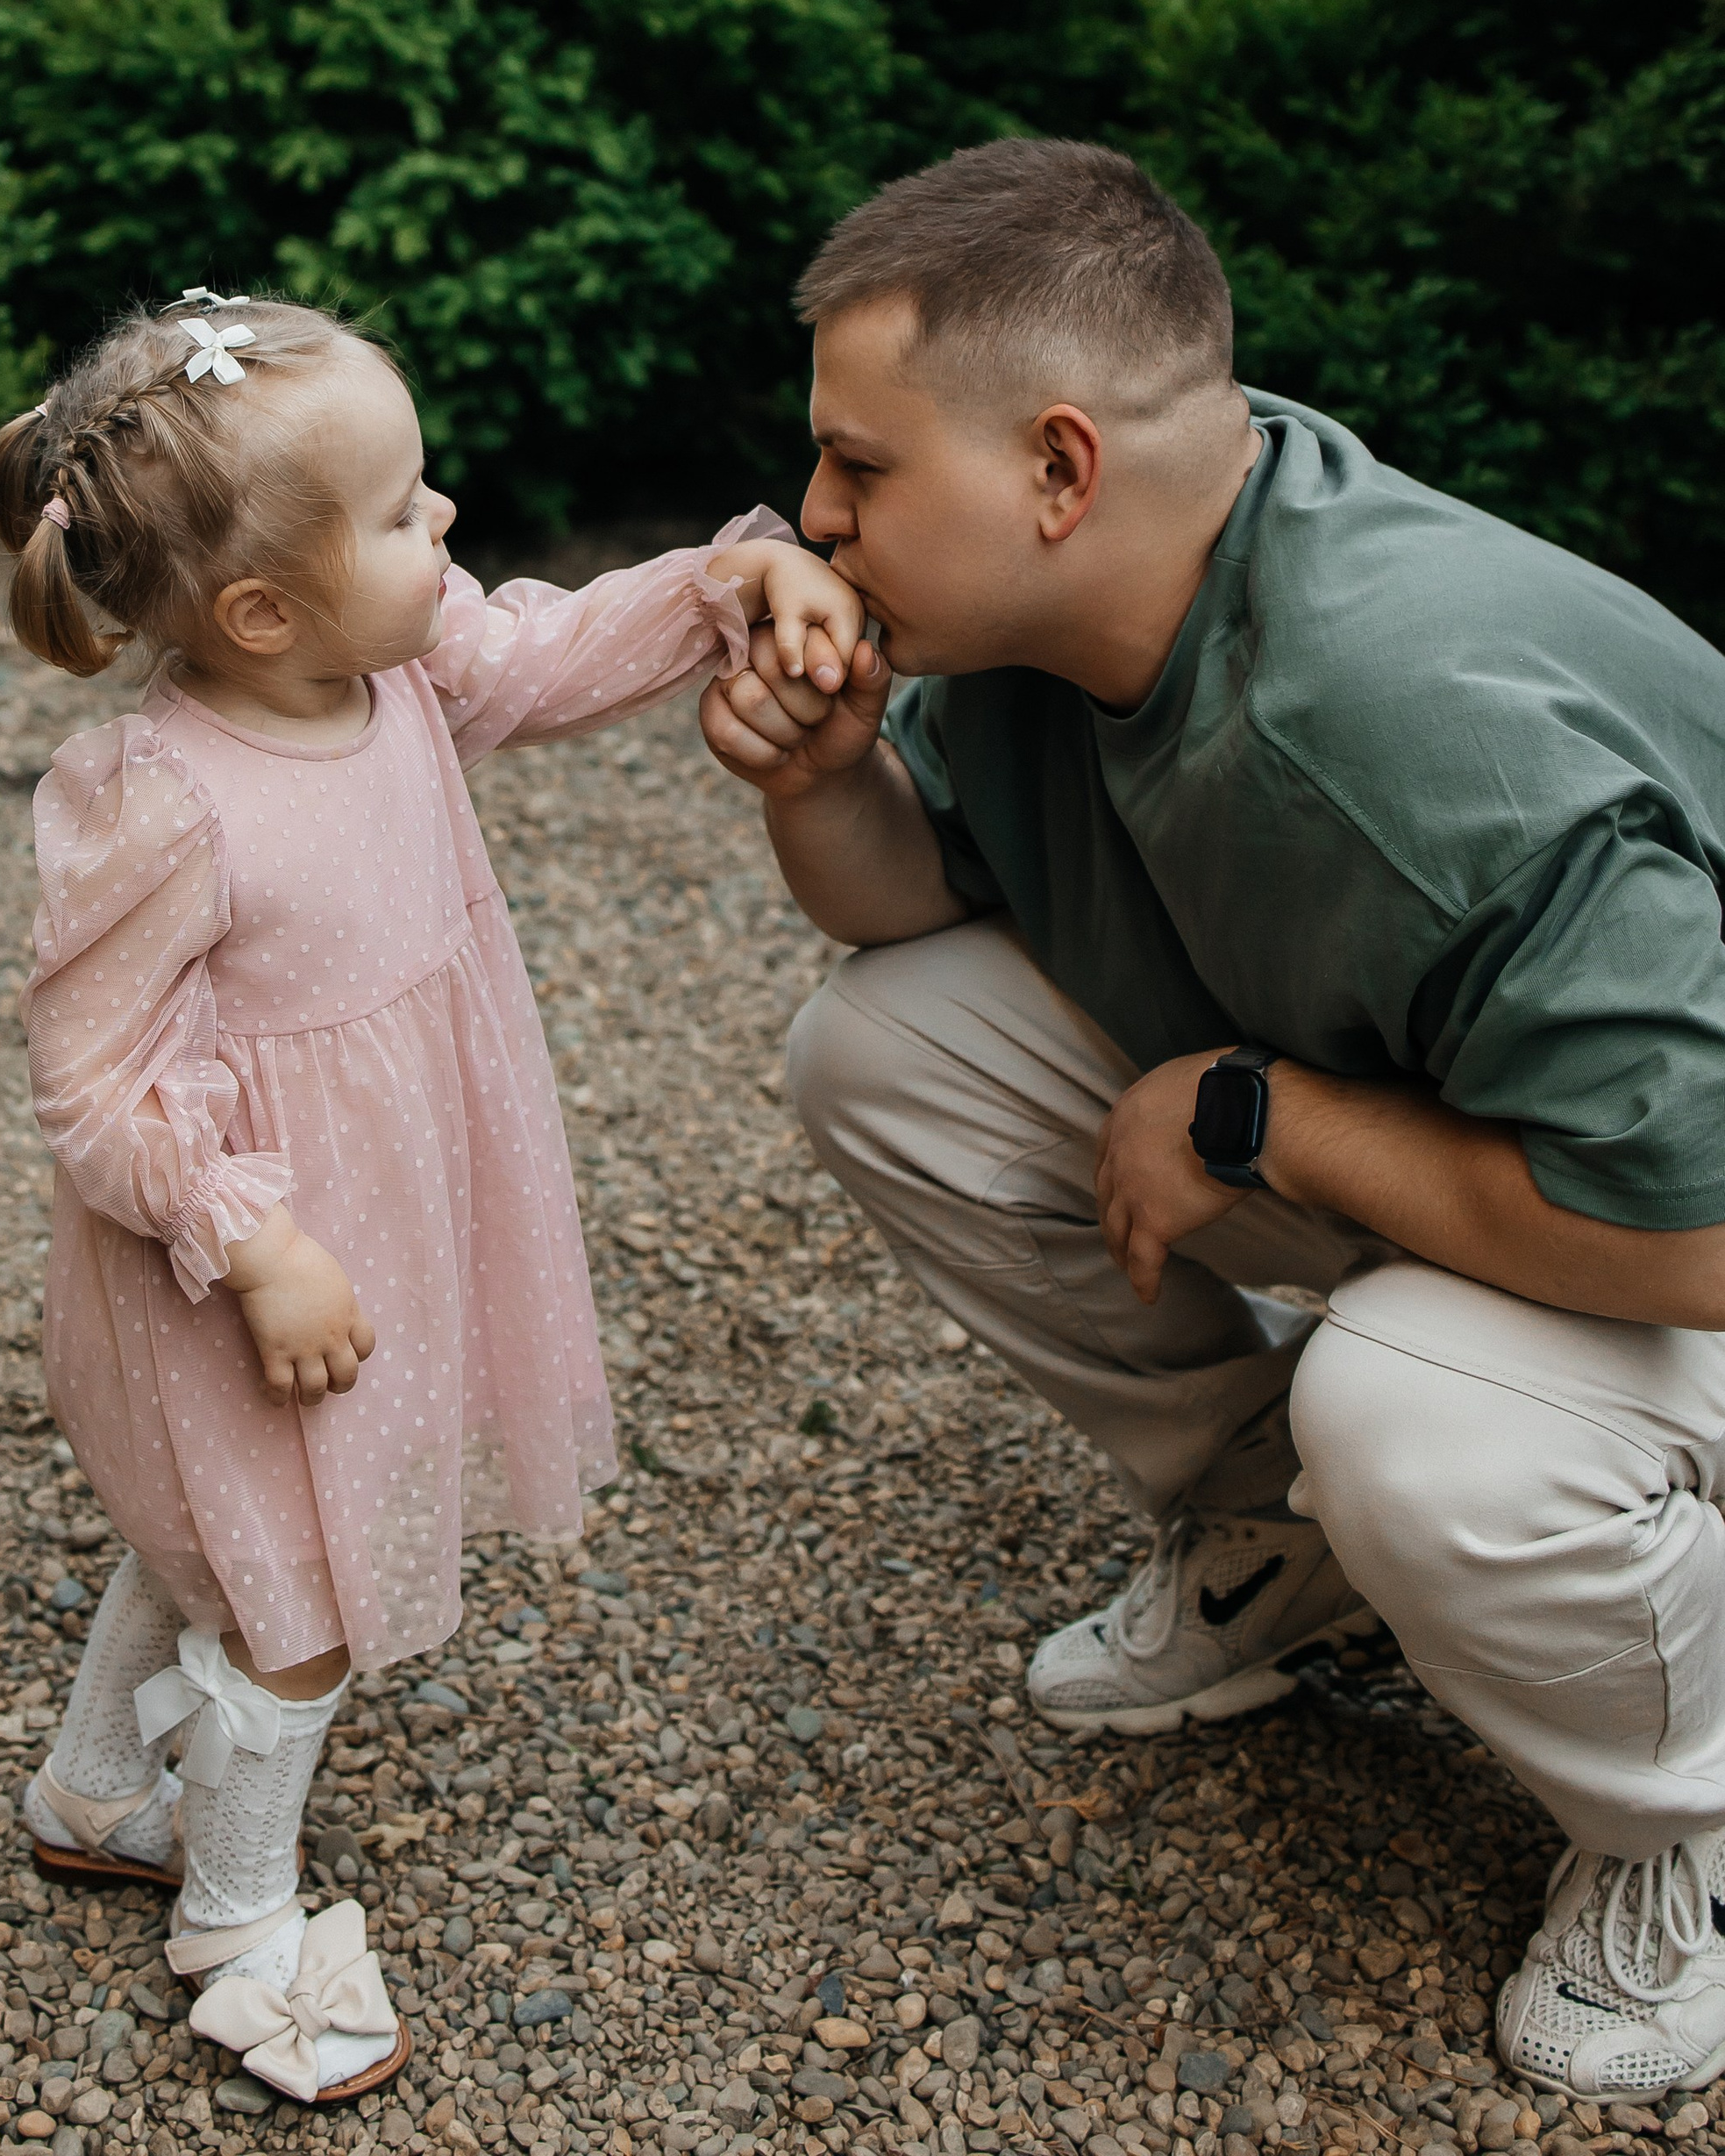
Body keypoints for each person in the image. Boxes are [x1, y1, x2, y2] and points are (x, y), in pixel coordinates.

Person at [698, 138, 1725, 2108]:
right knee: (883, 1051)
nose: (813, 516)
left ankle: (1684, 1810)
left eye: (858, 466)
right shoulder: (1086, 603)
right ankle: (1283, 1537)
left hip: (1678, 1223)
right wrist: (820, 773)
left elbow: (1695, 1232)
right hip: (1520, 1154)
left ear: (1059, 468)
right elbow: (913, 913)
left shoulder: (1400, 729)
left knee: (1411, 1415)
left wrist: (1255, 1120)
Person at [0, 290, 861, 2108]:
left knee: (226, 1539)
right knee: (291, 1595)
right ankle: (235, 1920)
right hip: (248, 1267)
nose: (445, 517)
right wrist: (252, 1241)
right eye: (400, 510)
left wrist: (728, 583)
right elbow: (93, 1086)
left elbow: (545, 651)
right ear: (259, 613)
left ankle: (93, 1789)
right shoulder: (166, 804)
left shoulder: (396, 667)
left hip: (382, 1213)